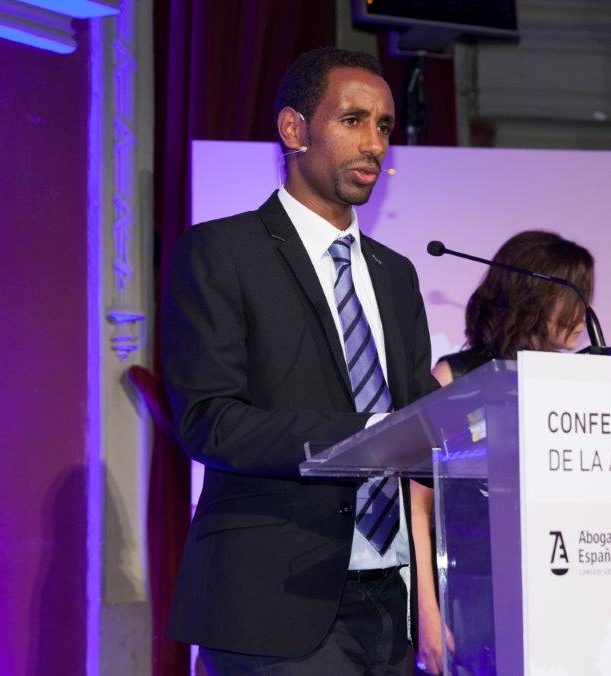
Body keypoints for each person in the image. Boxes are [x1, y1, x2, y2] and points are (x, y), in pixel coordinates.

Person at [162, 47, 437, 674]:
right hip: (273, 600)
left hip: (388, 600)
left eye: (385, 126)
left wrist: (484, 438)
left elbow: (419, 416)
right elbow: (210, 421)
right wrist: (368, 438)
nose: (374, 144)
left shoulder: (396, 274)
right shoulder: (222, 251)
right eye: (353, 121)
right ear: (294, 129)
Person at [410, 230, 595, 674]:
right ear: (532, 298)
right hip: (474, 593)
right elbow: (416, 506)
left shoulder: (576, 382)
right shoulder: (457, 377)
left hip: (562, 586)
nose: (582, 314)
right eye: (573, 297)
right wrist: (426, 613)